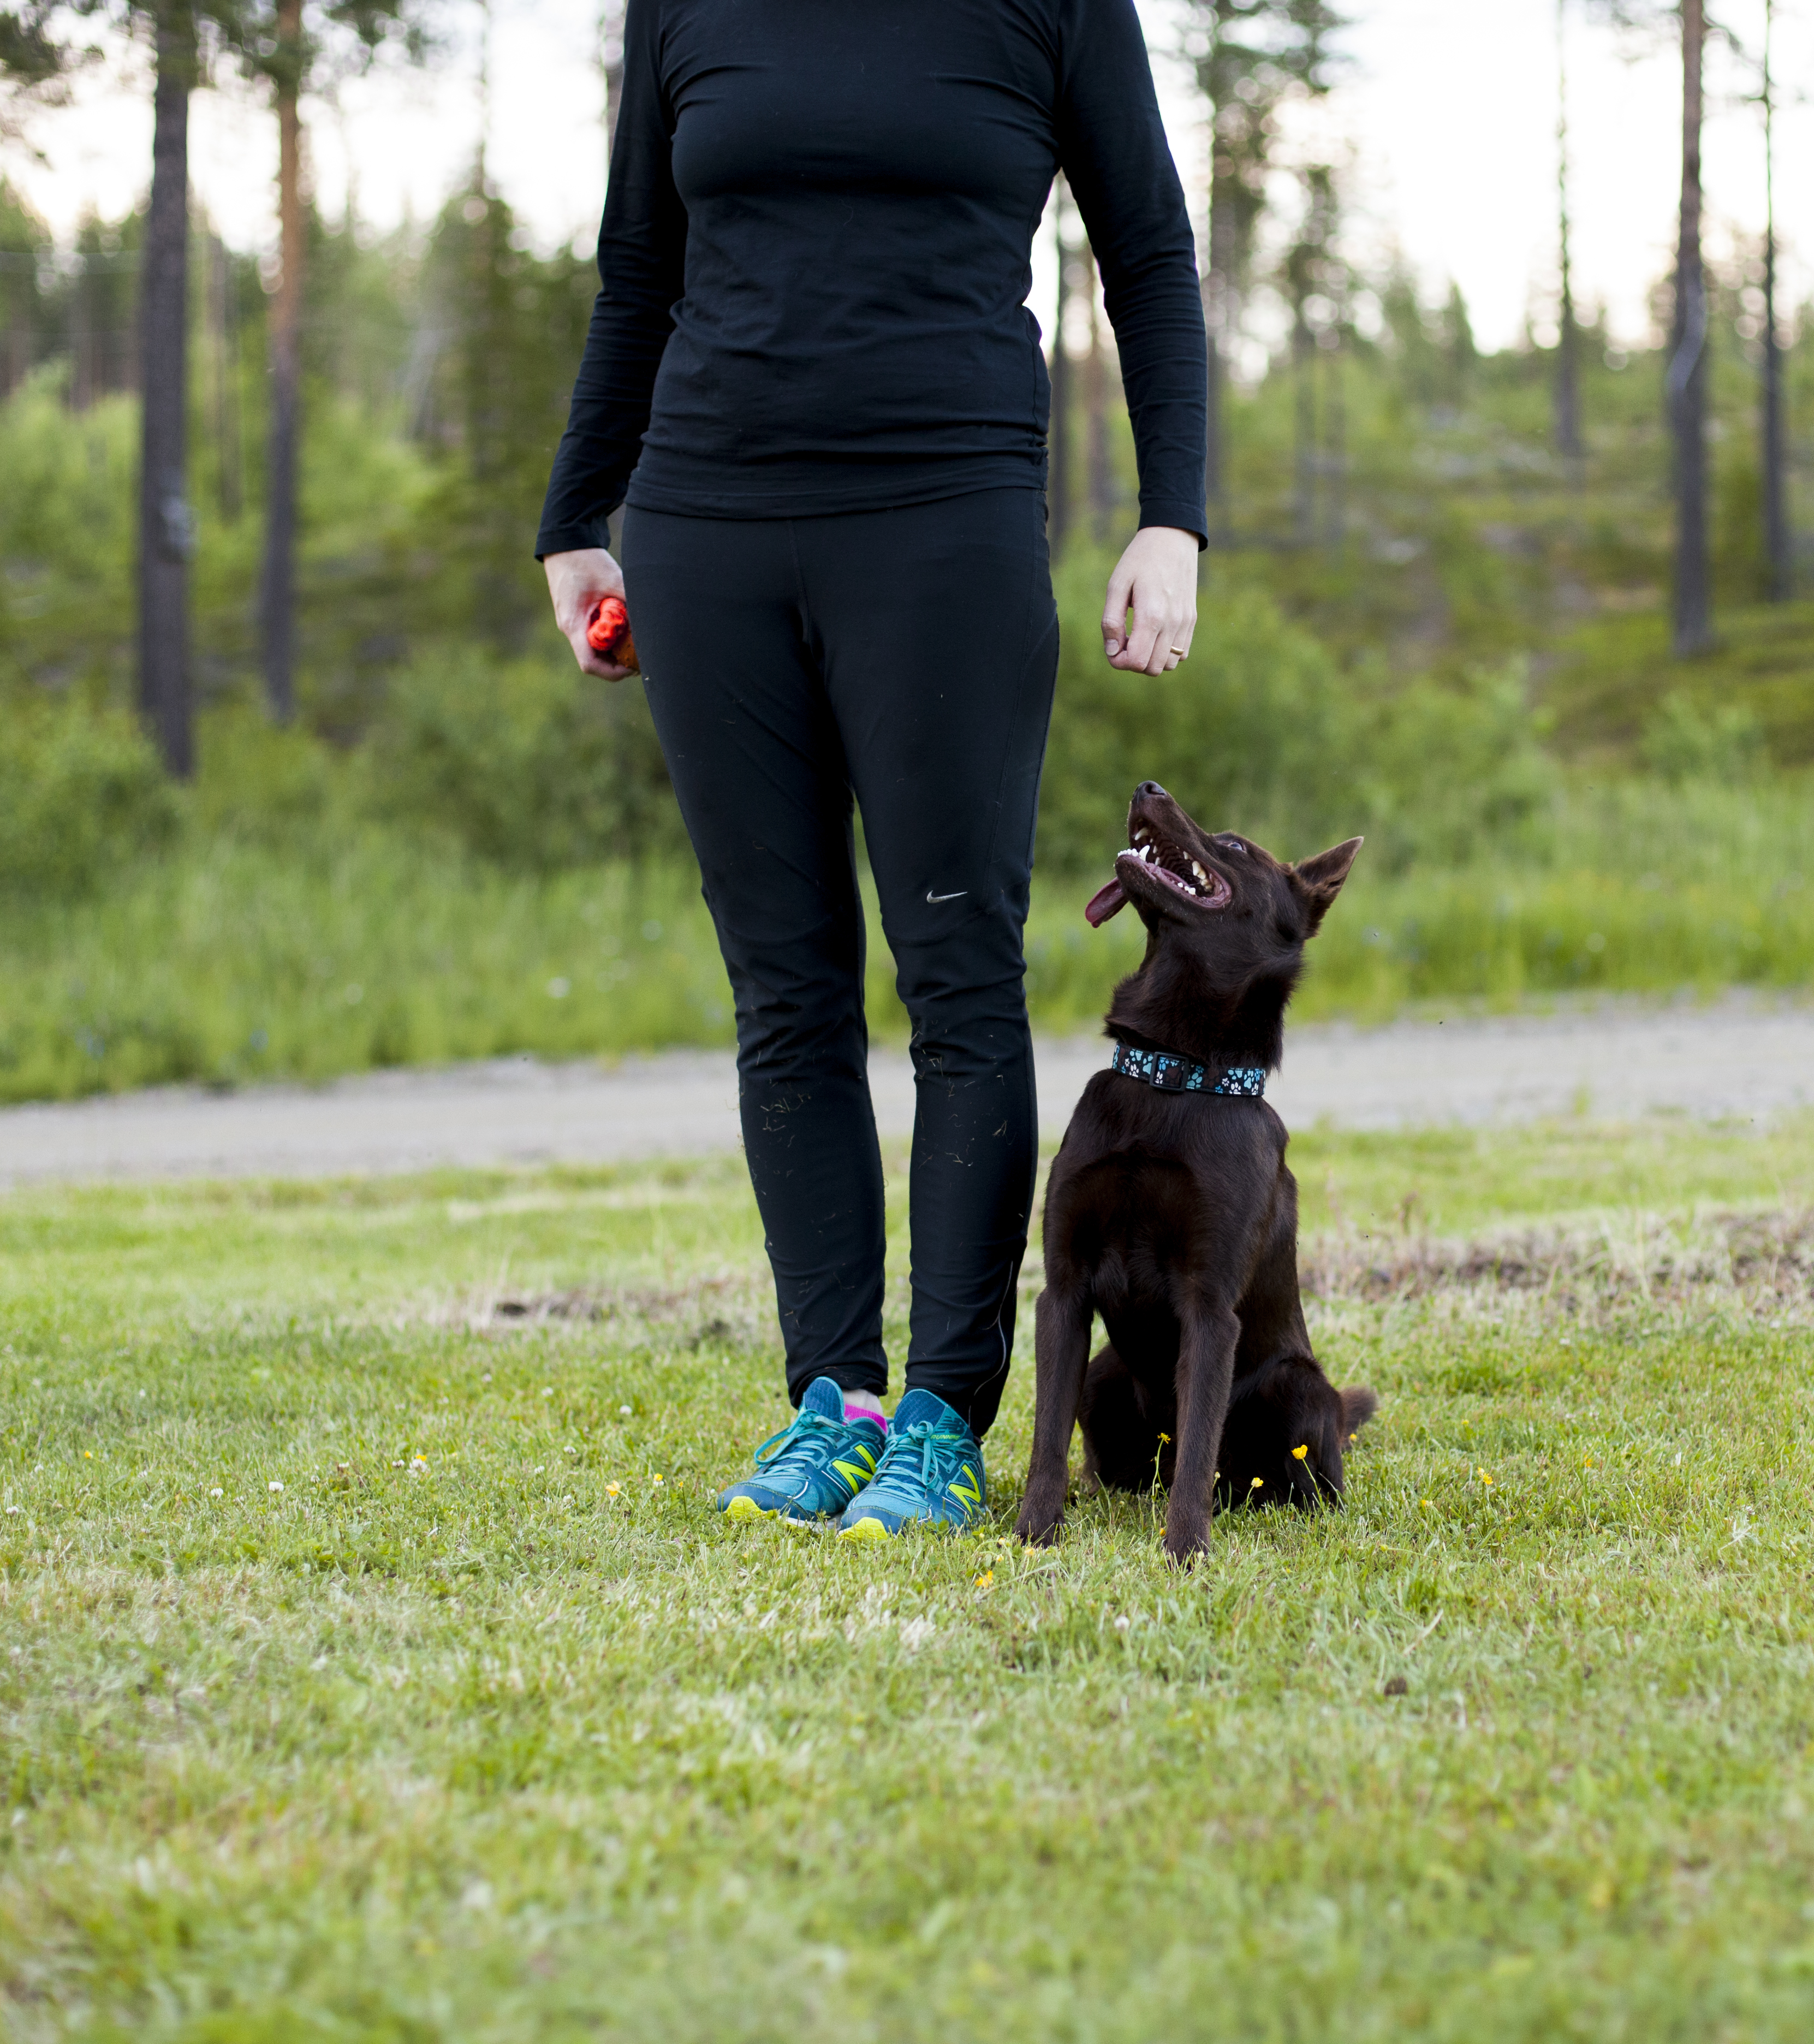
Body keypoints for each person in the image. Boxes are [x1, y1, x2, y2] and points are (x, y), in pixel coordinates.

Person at [536, 0, 1208, 1540]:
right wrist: (580, 515)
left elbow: (1150, 254)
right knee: (785, 986)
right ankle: (829, 1401)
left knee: (958, 971)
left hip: (944, 517)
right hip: (703, 526)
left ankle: (940, 1420)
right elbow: (639, 268)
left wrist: (1173, 511)